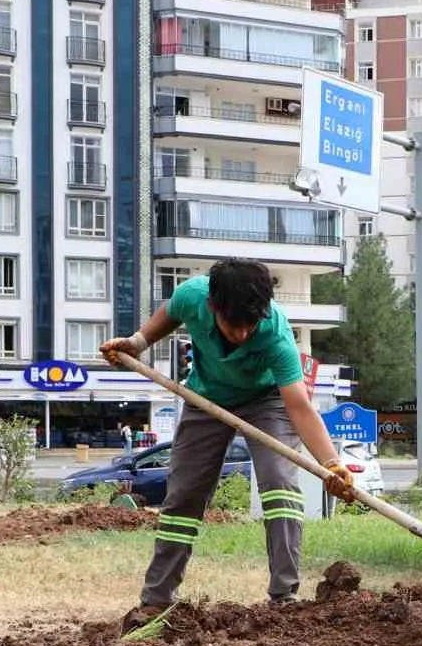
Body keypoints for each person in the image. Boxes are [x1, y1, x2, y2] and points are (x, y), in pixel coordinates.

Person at [103, 259, 356, 624]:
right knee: (184, 494)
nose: (242, 333)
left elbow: (300, 407)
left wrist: (331, 464)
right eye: (233, 324)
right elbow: (170, 314)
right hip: (206, 397)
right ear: (213, 307)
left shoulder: (276, 335)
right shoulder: (192, 295)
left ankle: (283, 597)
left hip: (267, 401)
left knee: (279, 484)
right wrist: (137, 342)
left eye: (250, 324)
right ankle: (156, 599)